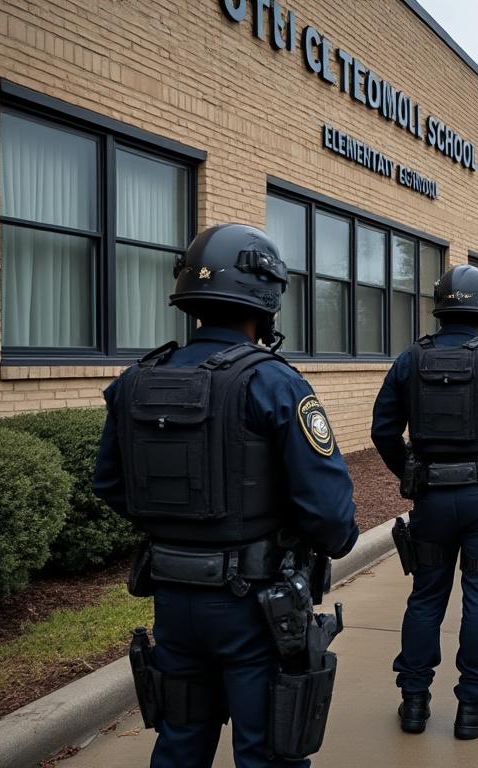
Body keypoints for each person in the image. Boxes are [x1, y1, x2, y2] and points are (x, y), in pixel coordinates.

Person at [92, 223, 359, 768]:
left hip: (171, 596)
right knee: (267, 751)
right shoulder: (276, 384)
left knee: (181, 743)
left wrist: (179, 533)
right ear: (266, 300)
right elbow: (330, 513)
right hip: (256, 606)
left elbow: (110, 485)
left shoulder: (135, 381)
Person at [370, 264, 478, 741]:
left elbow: (382, 430)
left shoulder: (410, 359)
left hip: (430, 498)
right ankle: (473, 705)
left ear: (441, 306)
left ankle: (413, 701)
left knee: (426, 597)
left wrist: (410, 472)